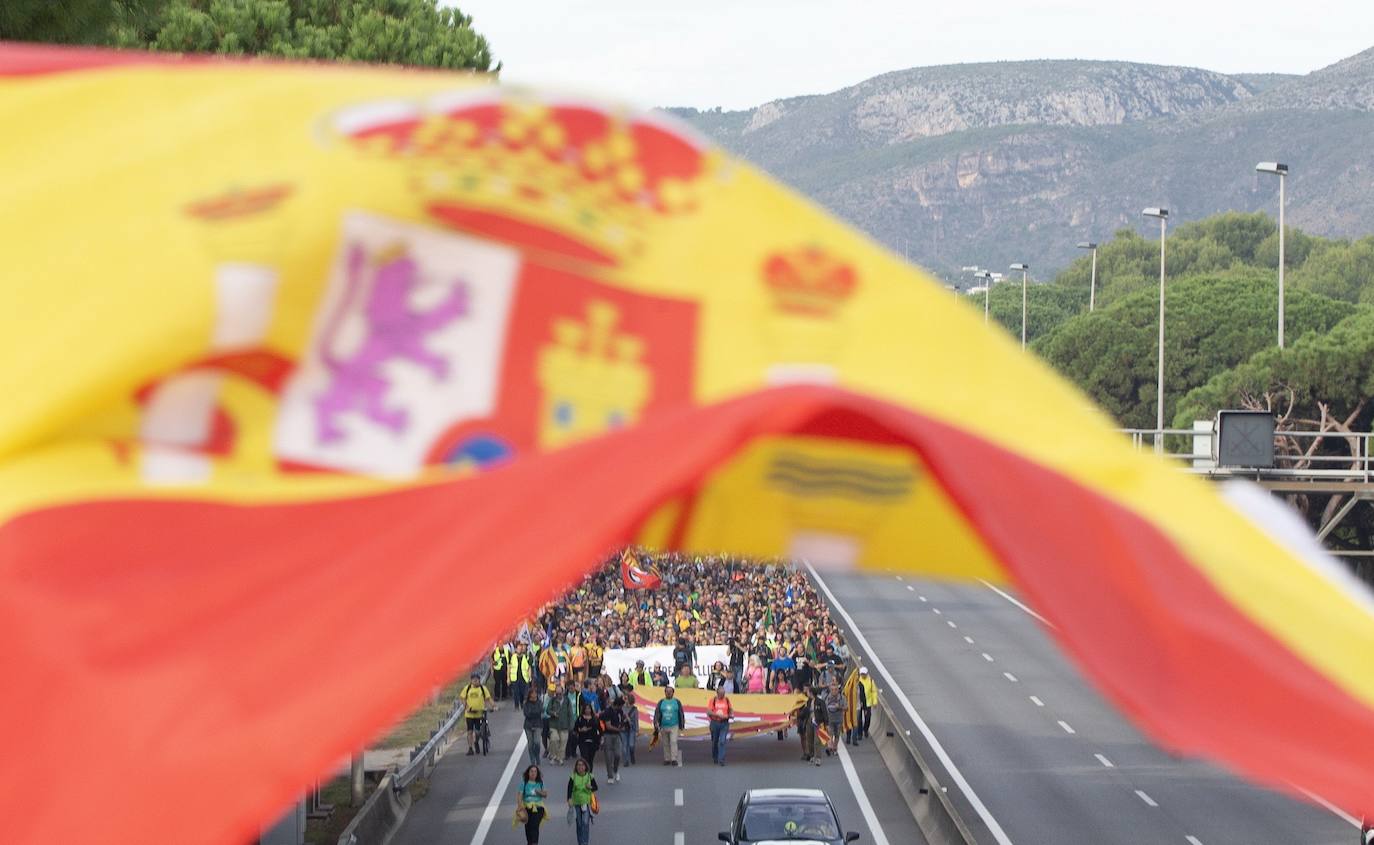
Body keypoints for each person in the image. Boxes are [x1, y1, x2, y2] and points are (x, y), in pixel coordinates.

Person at [567, 757, 598, 845]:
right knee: (579, 824)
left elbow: (596, 787)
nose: (580, 767)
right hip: (576, 803)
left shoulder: (590, 776)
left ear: (585, 767)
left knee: (585, 823)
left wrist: (590, 787)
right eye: (578, 765)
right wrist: (569, 799)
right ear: (576, 767)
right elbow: (569, 789)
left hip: (586, 803)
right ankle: (580, 842)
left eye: (582, 765)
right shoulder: (573, 777)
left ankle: (585, 842)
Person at [460, 673, 491, 756]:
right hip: (469, 714)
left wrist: (492, 706)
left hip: (479, 714)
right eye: (473, 680)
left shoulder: (482, 689)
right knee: (470, 731)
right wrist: (466, 707)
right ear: (471, 680)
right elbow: (463, 698)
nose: (475, 681)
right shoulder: (467, 688)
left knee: (477, 732)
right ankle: (470, 748)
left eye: (477, 680)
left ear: (479, 680)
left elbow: (488, 699)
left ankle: (476, 742)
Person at [654, 686, 685, 766]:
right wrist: (656, 723)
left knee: (673, 741)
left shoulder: (677, 702)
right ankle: (667, 758)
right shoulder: (661, 702)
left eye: (670, 691)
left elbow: (681, 713)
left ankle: (674, 758)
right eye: (667, 691)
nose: (668, 693)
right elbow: (657, 713)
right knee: (665, 743)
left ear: (673, 692)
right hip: (664, 725)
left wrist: (682, 724)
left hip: (674, 725)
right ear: (665, 692)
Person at [546, 680, 575, 765]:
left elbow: (570, 714)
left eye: (560, 694)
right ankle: (553, 755)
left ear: (563, 692)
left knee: (563, 742)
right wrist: (553, 713)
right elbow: (547, 710)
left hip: (564, 725)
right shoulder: (552, 700)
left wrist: (571, 725)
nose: (558, 695)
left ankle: (560, 758)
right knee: (554, 739)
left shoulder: (567, 701)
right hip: (554, 724)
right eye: (557, 694)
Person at [516, 764, 547, 845]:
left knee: (534, 826)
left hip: (538, 808)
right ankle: (530, 843)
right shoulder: (524, 783)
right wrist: (520, 806)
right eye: (531, 771)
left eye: (535, 771)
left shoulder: (540, 783)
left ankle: (534, 843)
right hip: (526, 808)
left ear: (537, 773)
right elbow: (520, 795)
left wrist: (538, 791)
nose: (533, 773)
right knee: (528, 828)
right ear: (528, 773)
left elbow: (545, 794)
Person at [598, 696, 625, 783]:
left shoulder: (619, 711)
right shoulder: (608, 712)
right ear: (617, 705)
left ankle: (615, 770)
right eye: (621, 706)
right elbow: (608, 726)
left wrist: (626, 720)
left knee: (618, 754)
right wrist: (619, 729)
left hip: (617, 736)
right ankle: (610, 776)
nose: (621, 708)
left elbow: (623, 717)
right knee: (608, 757)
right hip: (608, 735)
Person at [707, 684, 733, 766]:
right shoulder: (713, 700)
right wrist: (718, 715)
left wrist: (730, 715)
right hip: (715, 723)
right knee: (715, 742)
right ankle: (715, 757)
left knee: (722, 741)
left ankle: (721, 759)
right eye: (721, 694)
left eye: (723, 694)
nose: (722, 696)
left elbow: (731, 710)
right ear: (717, 693)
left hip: (724, 723)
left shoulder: (727, 700)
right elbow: (709, 712)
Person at [572, 701, 602, 766]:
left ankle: (589, 774)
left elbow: (599, 729)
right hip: (583, 741)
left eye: (589, 708)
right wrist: (581, 730)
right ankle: (585, 773)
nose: (587, 710)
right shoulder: (580, 719)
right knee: (585, 757)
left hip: (593, 741)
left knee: (591, 759)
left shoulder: (595, 719)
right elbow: (575, 730)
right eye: (586, 709)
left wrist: (600, 738)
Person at [522, 687, 544, 767]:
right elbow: (527, 714)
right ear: (529, 696)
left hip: (538, 724)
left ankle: (537, 755)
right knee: (530, 744)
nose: (534, 697)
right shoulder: (526, 704)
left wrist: (533, 713)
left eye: (535, 696)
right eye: (532, 696)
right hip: (528, 725)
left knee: (537, 742)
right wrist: (536, 713)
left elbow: (541, 711)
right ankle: (532, 759)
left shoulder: (539, 702)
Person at [855, 667, 876, 745]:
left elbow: (873, 691)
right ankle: (859, 734)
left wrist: (874, 702)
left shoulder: (870, 681)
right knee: (859, 719)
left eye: (864, 674)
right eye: (862, 674)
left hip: (868, 702)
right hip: (859, 702)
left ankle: (866, 729)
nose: (863, 675)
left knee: (868, 717)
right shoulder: (858, 680)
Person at [797, 686, 817, 764]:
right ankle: (805, 752)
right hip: (801, 719)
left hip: (808, 719)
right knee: (802, 736)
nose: (806, 691)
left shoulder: (811, 700)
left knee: (808, 737)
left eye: (807, 689)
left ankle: (809, 752)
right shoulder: (800, 698)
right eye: (804, 689)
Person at [509, 642, 534, 708]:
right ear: (516, 650)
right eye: (518, 649)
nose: (519, 650)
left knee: (522, 692)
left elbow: (528, 667)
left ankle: (522, 704)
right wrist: (508, 678)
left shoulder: (525, 657)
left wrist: (529, 677)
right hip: (515, 677)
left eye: (520, 649)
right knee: (516, 692)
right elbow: (509, 667)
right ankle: (516, 705)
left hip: (523, 677)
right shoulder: (513, 657)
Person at [823, 680, 844, 756]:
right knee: (830, 734)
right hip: (830, 719)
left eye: (835, 690)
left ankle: (835, 748)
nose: (834, 691)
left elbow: (846, 708)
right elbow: (824, 708)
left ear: (838, 690)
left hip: (839, 719)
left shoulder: (841, 697)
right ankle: (830, 747)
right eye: (832, 690)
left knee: (837, 735)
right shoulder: (827, 698)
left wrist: (840, 707)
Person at [621, 694, 639, 766]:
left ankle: (632, 754)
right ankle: (626, 761)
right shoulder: (622, 708)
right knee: (624, 746)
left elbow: (636, 720)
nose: (626, 700)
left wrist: (637, 730)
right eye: (625, 699)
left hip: (632, 728)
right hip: (623, 728)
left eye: (627, 699)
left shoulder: (634, 709)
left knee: (631, 745)